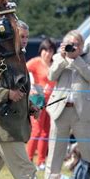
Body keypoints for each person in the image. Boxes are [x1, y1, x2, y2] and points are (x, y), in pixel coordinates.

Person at [45, 30, 90, 179]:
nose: (72, 47)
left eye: (76, 44)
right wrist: (64, 58)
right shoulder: (58, 57)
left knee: (88, 150)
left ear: (82, 45)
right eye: (69, 44)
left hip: (82, 112)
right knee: (55, 150)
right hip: (60, 110)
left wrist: (76, 58)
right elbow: (51, 76)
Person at [26, 38, 57, 170]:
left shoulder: (55, 63)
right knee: (36, 130)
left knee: (46, 131)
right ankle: (28, 160)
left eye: (50, 50)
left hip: (53, 100)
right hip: (37, 98)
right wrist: (31, 86)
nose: (47, 53)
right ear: (41, 51)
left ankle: (41, 161)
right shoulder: (35, 62)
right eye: (45, 50)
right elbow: (23, 71)